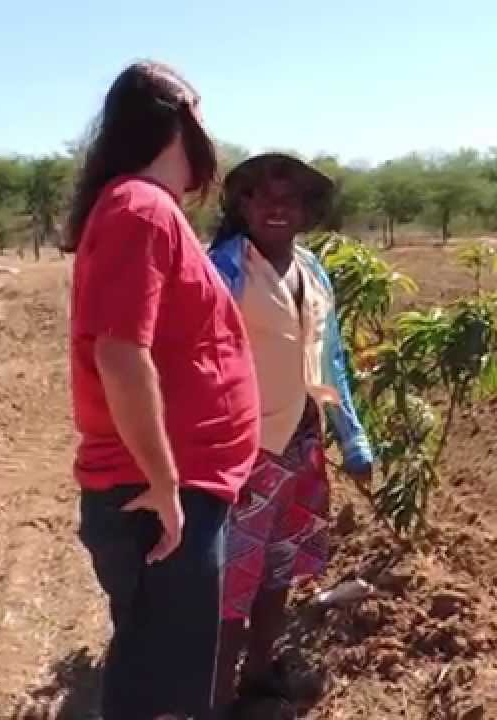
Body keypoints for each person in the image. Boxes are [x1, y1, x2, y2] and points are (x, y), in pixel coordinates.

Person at [66, 61, 260, 720]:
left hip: (168, 488)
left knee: (158, 675)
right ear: (176, 115)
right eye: (201, 112)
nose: (210, 129)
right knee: (161, 698)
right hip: (154, 495)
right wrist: (167, 483)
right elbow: (121, 355)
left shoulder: (149, 209)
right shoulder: (139, 208)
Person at [207, 154, 374, 715]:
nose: (277, 208)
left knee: (278, 572)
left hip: (301, 447)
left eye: (290, 199)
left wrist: (352, 439)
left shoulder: (312, 271)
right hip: (240, 454)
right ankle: (216, 698)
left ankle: (257, 675)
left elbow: (332, 360)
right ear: (244, 205)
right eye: (263, 197)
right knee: (231, 587)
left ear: (305, 211)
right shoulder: (222, 270)